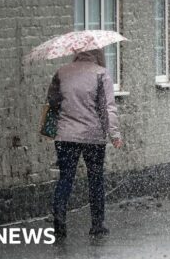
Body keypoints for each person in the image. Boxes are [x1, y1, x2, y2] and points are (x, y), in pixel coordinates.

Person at [46, 48, 123, 242]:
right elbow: (107, 108)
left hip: (65, 135)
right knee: (95, 180)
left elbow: (52, 101)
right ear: (98, 54)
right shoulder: (101, 73)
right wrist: (114, 134)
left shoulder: (62, 72)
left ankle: (59, 223)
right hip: (93, 136)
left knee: (65, 179)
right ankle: (97, 226)